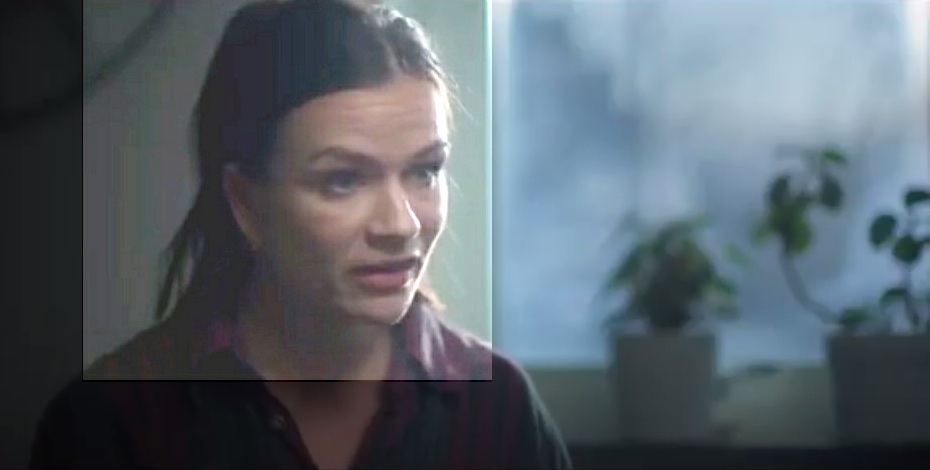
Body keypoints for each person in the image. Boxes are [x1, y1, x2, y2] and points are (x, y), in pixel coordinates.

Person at [30, 1, 572, 468]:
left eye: (425, 171)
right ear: (245, 202)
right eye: (343, 180)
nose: (402, 224)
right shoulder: (114, 423)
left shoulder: (498, 411)